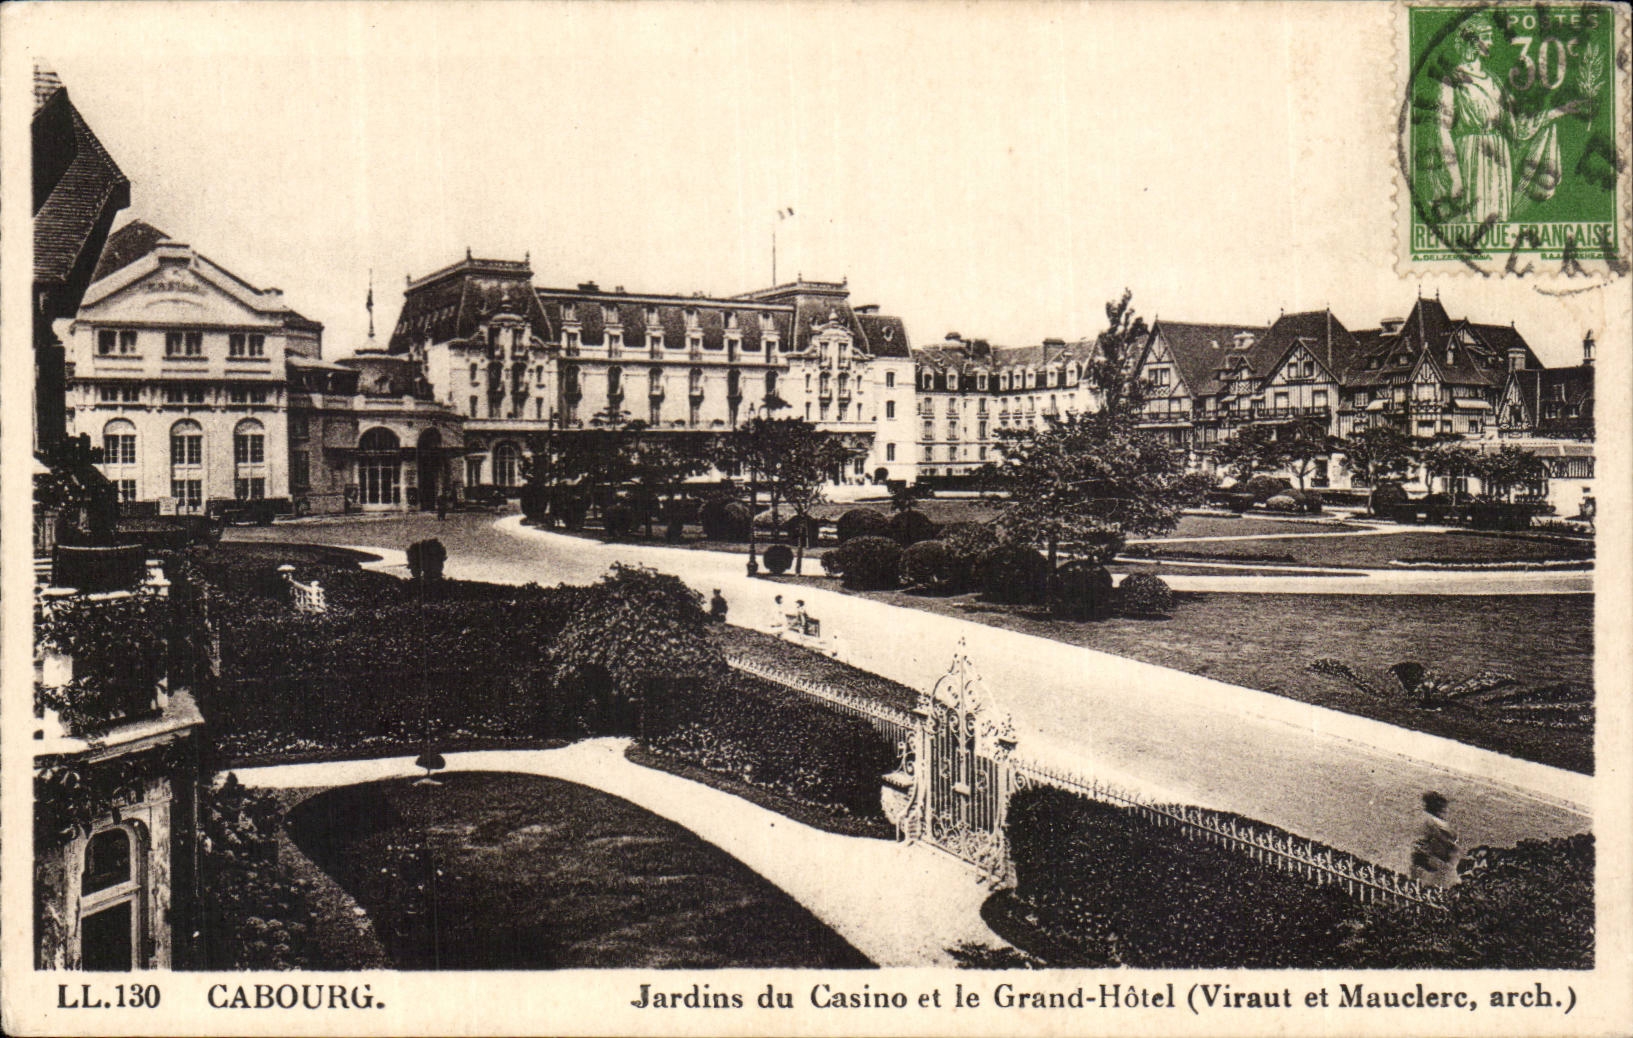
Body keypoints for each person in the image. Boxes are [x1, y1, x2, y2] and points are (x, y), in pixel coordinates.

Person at [1431, 17, 1589, 225]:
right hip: (1471, 158)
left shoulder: (1494, 80)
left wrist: (1559, 111)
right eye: (1486, 38)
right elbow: (1442, 130)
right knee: (1473, 220)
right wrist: (1455, 177)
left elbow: (1517, 126)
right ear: (1472, 42)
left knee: (1497, 221)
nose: (1491, 43)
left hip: (1499, 160)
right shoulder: (1451, 80)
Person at [1410, 791, 1459, 888]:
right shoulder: (1434, 822)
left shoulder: (1424, 817)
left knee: (1417, 877)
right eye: (1442, 809)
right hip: (1427, 855)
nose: (1444, 811)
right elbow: (1447, 836)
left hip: (1420, 853)